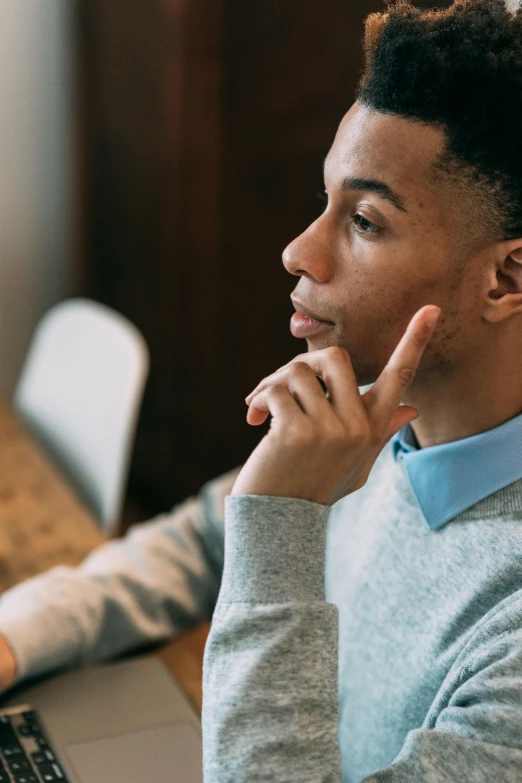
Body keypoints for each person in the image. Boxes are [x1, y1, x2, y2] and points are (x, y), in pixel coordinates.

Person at [1, 0, 522, 780]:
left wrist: (284, 521)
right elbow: (207, 537)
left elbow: (259, 534)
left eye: (366, 221)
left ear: (506, 276)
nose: (297, 251)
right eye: (326, 201)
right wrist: (16, 635)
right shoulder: (370, 432)